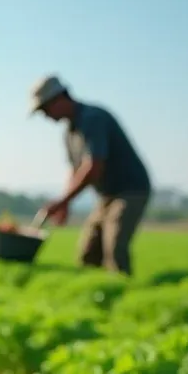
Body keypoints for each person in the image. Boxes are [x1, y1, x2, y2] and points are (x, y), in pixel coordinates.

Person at [30, 76, 151, 276]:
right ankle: (93, 295)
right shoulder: (70, 132)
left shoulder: (92, 119)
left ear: (59, 99)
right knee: (88, 253)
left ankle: (121, 292)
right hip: (106, 194)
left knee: (114, 248)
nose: (45, 116)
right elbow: (76, 171)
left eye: (45, 109)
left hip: (130, 190)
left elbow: (94, 167)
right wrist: (65, 203)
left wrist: (62, 201)